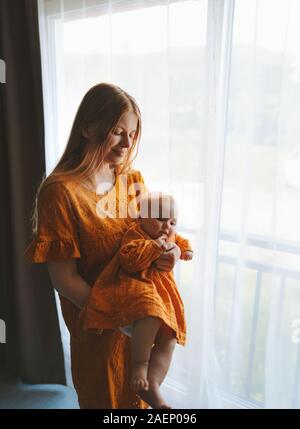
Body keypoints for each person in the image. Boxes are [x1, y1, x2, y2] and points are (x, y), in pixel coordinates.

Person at [24, 83, 182, 409]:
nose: (127, 143)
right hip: (98, 328)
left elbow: (153, 237)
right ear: (87, 128)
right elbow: (64, 280)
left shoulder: (132, 181)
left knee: (138, 400)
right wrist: (117, 318)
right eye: (117, 132)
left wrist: (171, 252)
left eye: (133, 134)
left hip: (139, 320)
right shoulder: (60, 192)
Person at [82, 191, 193, 409]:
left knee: (170, 335)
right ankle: (140, 365)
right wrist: (155, 247)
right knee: (150, 313)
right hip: (137, 285)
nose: (167, 226)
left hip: (161, 290)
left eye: (173, 222)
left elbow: (179, 241)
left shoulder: (168, 235)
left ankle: (152, 386)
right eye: (161, 219)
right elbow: (129, 260)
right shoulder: (136, 233)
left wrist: (182, 250)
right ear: (142, 217)